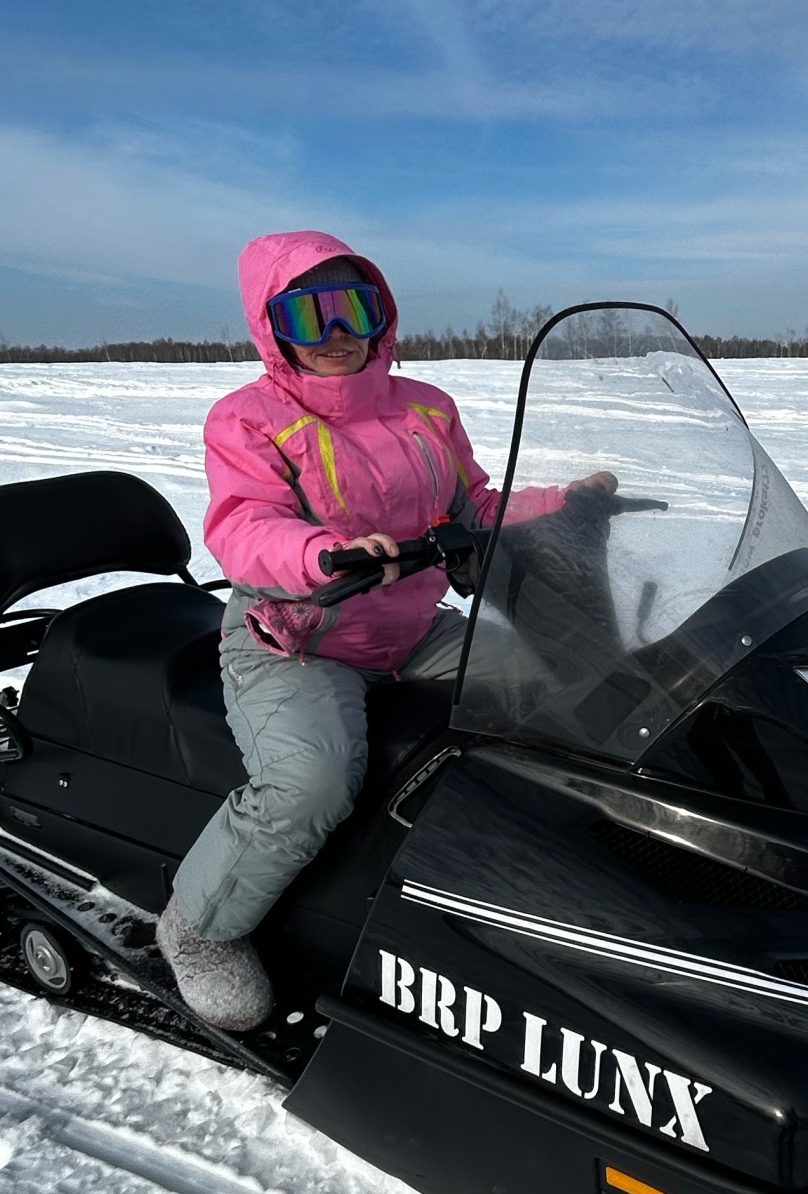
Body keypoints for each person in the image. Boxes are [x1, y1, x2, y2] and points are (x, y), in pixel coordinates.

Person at [158, 230, 604, 1032]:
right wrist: (321, 553)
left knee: (554, 686)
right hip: (295, 639)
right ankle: (200, 929)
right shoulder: (249, 419)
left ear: (381, 315)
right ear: (272, 328)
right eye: (309, 314)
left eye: (353, 308)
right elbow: (244, 524)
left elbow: (476, 508)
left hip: (408, 630)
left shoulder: (427, 408)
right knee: (313, 783)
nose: (336, 334)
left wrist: (564, 505)